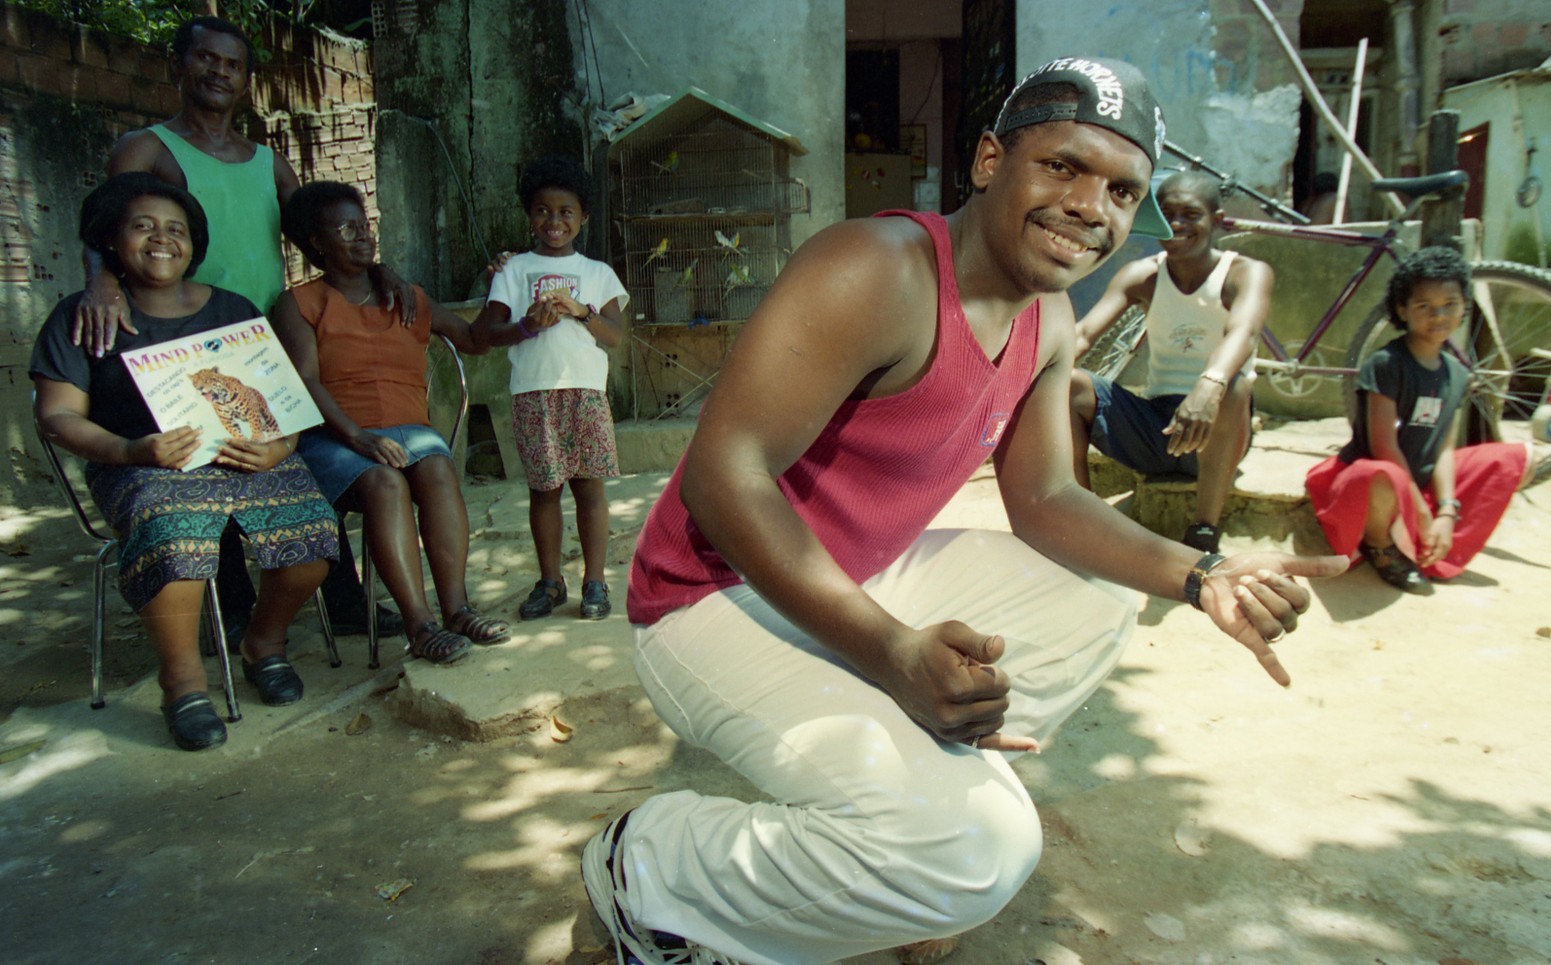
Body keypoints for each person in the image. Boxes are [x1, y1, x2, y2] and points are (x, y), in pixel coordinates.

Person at [582, 56, 1345, 965]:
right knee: (985, 851)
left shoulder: (1050, 318)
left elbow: (1050, 500)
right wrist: (893, 651)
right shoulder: (877, 269)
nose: (1088, 206)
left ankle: (918, 814)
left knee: (1101, 599)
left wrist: (1203, 574)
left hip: (849, 575)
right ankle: (649, 864)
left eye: (1119, 190)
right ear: (990, 161)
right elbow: (722, 476)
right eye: (1060, 166)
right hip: (705, 599)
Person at [76, 15, 410, 643]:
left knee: (295, 463)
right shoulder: (146, 148)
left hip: (264, 339)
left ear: (248, 80)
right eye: (207, 59)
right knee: (210, 465)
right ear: (180, 64)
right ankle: (232, 613)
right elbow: (106, 221)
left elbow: (319, 232)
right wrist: (101, 281)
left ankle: (339, 597)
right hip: (179, 342)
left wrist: (377, 265)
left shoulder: (267, 162)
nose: (219, 73)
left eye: (232, 65)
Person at [31, 173, 339, 751]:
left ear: (194, 242)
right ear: (112, 241)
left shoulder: (232, 309)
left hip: (245, 456)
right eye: (142, 226)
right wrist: (129, 449)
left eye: (175, 228)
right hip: (143, 465)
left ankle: (263, 644)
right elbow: (58, 415)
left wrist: (280, 446)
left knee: (313, 528)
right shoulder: (83, 316)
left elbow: (280, 401)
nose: (161, 239)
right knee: (174, 534)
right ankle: (183, 684)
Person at [273, 181, 506, 663]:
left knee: (437, 468)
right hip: (334, 438)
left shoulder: (406, 296)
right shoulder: (299, 304)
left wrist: (499, 289)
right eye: (347, 228)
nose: (363, 236)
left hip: (409, 433)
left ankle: (457, 610)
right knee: (385, 484)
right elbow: (304, 383)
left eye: (365, 225)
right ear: (317, 243)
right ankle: (420, 627)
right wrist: (358, 437)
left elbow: (473, 339)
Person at [1069, 169, 1274, 552]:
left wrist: (1208, 386)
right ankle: (1081, 513)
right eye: (1167, 214)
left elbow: (1243, 333)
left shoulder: (1245, 274)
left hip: (1220, 430)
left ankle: (1204, 529)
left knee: (1236, 385)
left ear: (1217, 222)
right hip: (1157, 431)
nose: (1176, 224)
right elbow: (1082, 335)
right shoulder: (1141, 275)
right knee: (1068, 383)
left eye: (1190, 214)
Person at [1305, 247, 1530, 593]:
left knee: (1520, 458)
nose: (1438, 315)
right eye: (1424, 306)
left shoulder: (1457, 373)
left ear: (1464, 306)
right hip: (1374, 484)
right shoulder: (1386, 364)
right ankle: (1380, 544)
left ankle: (1427, 540)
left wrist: (1445, 511)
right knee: (1382, 474)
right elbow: (1384, 446)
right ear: (1402, 309)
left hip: (1420, 483)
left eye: (1449, 304)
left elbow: (1443, 448)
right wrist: (1421, 513)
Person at [471, 156, 628, 621]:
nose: (554, 221)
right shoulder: (512, 270)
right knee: (544, 490)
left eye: (566, 212)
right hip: (533, 392)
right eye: (542, 210)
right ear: (529, 215)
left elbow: (616, 336)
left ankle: (594, 582)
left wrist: (581, 311)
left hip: (584, 392)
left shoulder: (598, 273)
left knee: (589, 488)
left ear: (583, 218)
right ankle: (550, 582)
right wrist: (527, 325)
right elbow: (487, 334)